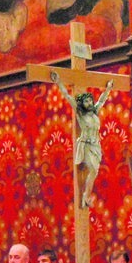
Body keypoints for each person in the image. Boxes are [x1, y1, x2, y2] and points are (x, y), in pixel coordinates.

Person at [51, 71, 113, 207]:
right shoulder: (80, 113)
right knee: (92, 170)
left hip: (96, 146)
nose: (89, 102)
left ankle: (86, 196)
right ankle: (85, 196)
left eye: (90, 100)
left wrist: (108, 88)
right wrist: (59, 82)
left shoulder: (95, 111)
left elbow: (102, 100)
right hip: (86, 145)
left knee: (94, 171)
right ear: (82, 103)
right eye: (86, 101)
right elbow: (67, 96)